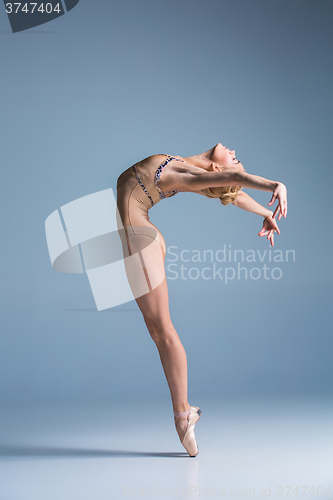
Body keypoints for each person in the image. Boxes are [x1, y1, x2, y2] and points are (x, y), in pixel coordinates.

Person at [116, 143, 287, 457]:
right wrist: (265, 213)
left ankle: (183, 416)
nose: (236, 152)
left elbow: (235, 180)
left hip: (140, 241)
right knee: (159, 331)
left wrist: (275, 186)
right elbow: (232, 193)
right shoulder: (189, 170)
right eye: (236, 159)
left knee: (162, 331)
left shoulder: (186, 174)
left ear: (217, 171)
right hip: (140, 237)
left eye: (236, 161)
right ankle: (183, 412)